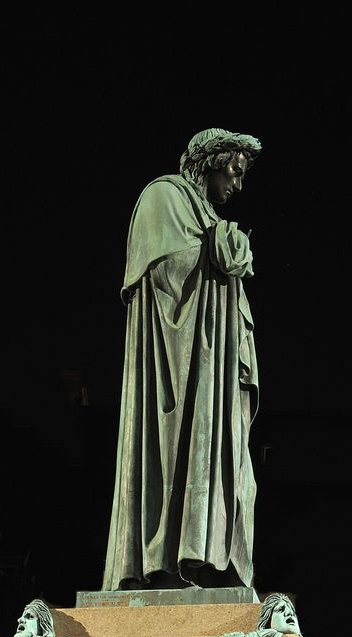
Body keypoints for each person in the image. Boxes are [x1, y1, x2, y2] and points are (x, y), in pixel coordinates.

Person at [102, 128, 262, 591]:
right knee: (173, 458)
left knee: (232, 467)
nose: (237, 185)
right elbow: (163, 278)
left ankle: (204, 559)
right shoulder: (164, 197)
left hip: (211, 371)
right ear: (208, 162)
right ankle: (161, 561)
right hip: (175, 374)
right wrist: (218, 251)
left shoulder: (207, 216)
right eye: (234, 171)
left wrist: (225, 252)